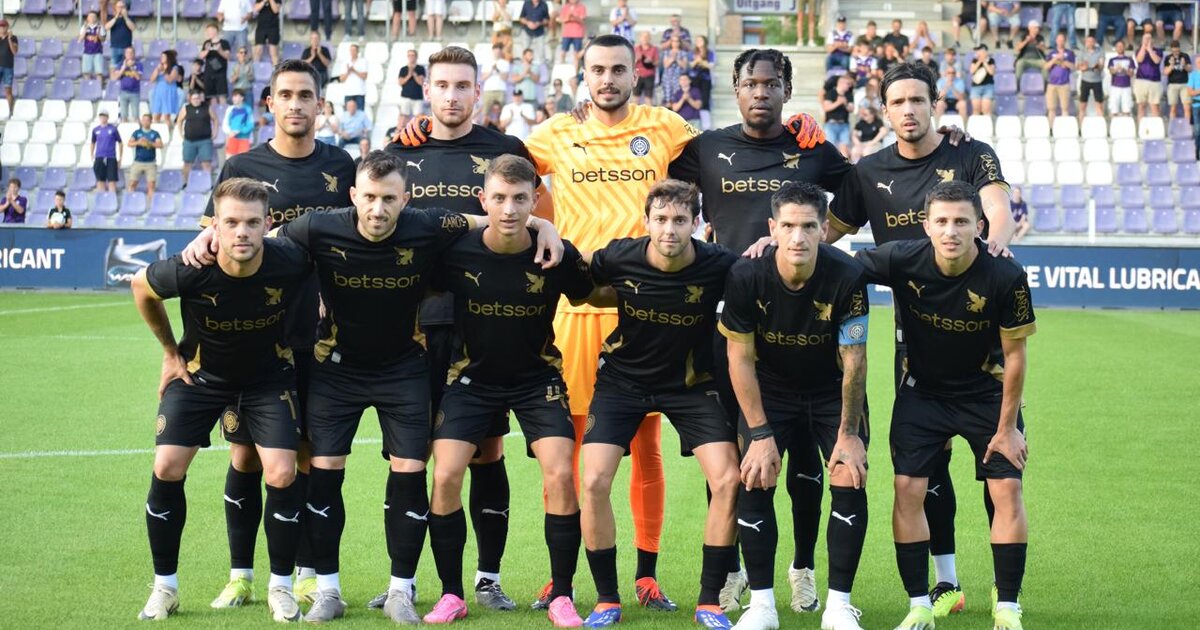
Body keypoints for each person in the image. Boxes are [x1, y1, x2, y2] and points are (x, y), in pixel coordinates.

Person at [270, 150, 559, 624]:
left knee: (409, 470)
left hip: (403, 369)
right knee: (325, 471)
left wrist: (542, 225)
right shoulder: (319, 226)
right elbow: (263, 237)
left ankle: (400, 589)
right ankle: (327, 590)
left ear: (405, 200)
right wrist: (208, 235)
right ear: (352, 195)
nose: (378, 208)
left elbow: (488, 217)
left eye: (389, 199)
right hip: (336, 370)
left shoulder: (428, 224)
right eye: (369, 197)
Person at [827, 61, 1015, 619]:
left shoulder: (970, 152)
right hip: (914, 338)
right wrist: (774, 250)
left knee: (998, 466)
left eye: (917, 100)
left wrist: (995, 247)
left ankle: (1006, 590)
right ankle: (946, 583)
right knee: (925, 468)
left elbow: (998, 211)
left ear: (935, 103)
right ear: (884, 110)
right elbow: (826, 235)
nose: (908, 110)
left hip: (980, 334)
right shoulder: (868, 172)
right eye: (898, 102)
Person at [668, 49, 841, 613]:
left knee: (805, 460)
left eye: (771, 83)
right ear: (736, 88)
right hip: (725, 320)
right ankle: (734, 568)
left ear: (787, 89)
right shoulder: (705, 148)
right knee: (730, 453)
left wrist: (807, 246)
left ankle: (802, 567)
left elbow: (862, 194)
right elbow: (647, 175)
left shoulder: (812, 147)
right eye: (750, 83)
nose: (760, 92)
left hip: (798, 322)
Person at [383, 46, 552, 614]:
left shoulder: (506, 150)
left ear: (478, 92)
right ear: (426, 90)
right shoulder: (400, 152)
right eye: (442, 85)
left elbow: (537, 213)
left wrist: (548, 225)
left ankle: (486, 578)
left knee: (485, 452)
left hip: (485, 325)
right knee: (409, 457)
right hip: (414, 325)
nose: (452, 96)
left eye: (463, 86)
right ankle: (403, 581)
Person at [181, 61, 357, 609]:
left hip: (321, 337)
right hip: (256, 340)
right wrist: (198, 243)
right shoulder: (242, 166)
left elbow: (356, 238)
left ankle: (303, 572)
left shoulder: (341, 165)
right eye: (286, 94)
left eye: (306, 95)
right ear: (270, 103)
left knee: (305, 456)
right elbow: (213, 239)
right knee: (245, 457)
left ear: (320, 104)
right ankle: (241, 575)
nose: (296, 104)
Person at [855, 180, 1035, 630]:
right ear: (926, 225)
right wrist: (775, 246)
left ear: (980, 226)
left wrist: (1008, 429)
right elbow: (839, 268)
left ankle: (1007, 607)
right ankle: (919, 604)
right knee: (907, 489)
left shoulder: (1006, 275)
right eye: (941, 221)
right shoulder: (901, 258)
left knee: (1006, 490)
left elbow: (1015, 357)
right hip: (923, 393)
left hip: (987, 394)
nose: (951, 231)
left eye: (961, 221)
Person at [423, 154, 592, 626]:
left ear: (535, 199)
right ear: (483, 200)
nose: (510, 208)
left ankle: (561, 595)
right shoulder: (456, 251)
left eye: (520, 198)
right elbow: (415, 278)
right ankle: (452, 594)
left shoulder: (556, 254)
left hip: (538, 380)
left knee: (560, 474)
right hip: (471, 381)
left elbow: (594, 293)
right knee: (445, 475)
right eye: (499, 198)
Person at [130, 178, 310, 623]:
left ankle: (280, 587)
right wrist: (170, 352)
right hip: (200, 378)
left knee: (282, 472)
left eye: (251, 222)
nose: (241, 232)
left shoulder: (290, 258)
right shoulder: (191, 267)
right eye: (230, 222)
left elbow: (328, 264)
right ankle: (165, 588)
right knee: (167, 466)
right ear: (214, 225)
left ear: (268, 223)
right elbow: (141, 287)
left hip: (268, 380)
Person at [578, 179, 740, 629]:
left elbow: (762, 276)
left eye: (680, 220)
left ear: (697, 224)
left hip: (690, 385)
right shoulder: (619, 255)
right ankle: (606, 600)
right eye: (661, 219)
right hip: (622, 382)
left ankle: (709, 602)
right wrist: (544, 232)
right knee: (593, 481)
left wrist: (768, 244)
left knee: (728, 480)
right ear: (646, 221)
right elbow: (577, 272)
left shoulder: (719, 264)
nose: (670, 229)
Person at [722, 182, 871, 630]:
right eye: (788, 226)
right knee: (755, 476)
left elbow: (854, 359)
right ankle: (762, 607)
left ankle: (839, 606)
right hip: (771, 390)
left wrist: (849, 434)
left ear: (824, 229)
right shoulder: (746, 275)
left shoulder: (847, 275)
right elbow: (739, 359)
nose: (798, 237)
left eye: (808, 226)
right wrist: (759, 434)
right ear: (773, 228)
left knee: (848, 474)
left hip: (830, 390)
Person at [176, 90, 217, 186]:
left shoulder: (207, 107)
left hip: (205, 141)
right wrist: (180, 133)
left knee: (206, 163)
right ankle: (186, 183)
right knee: (187, 163)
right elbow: (179, 120)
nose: (196, 100)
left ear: (200, 98)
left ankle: (208, 184)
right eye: (194, 98)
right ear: (190, 99)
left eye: (197, 98)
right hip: (189, 141)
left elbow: (215, 119)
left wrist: (215, 132)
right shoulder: (186, 108)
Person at [128, 114, 164, 195]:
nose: (145, 122)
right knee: (132, 184)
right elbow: (129, 143)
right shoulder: (137, 133)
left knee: (151, 186)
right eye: (143, 120)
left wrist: (149, 143)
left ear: (151, 121)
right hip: (138, 162)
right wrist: (139, 142)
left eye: (147, 120)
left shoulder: (155, 133)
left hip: (150, 163)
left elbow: (160, 145)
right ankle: (130, 200)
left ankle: (151, 202)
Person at [821, 73, 855, 158]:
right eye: (848, 84)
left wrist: (845, 103)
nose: (849, 86)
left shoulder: (849, 94)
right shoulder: (831, 93)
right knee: (830, 148)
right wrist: (838, 102)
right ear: (841, 83)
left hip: (844, 125)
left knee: (844, 149)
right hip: (831, 125)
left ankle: (845, 165)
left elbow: (851, 109)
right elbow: (826, 108)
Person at [1044, 33, 1074, 127]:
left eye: (1062, 40)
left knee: (1065, 108)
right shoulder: (1051, 53)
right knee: (1051, 108)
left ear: (1065, 41)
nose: (1060, 42)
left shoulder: (1069, 53)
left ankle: (1064, 128)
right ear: (1056, 41)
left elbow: (1073, 67)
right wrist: (1055, 59)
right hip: (1052, 84)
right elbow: (1046, 66)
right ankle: (1051, 128)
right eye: (1059, 40)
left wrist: (1063, 61)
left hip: (1064, 84)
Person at [1133, 32, 1163, 119]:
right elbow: (1139, 59)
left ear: (1152, 40)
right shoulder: (1138, 50)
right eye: (1145, 38)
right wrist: (1144, 46)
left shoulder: (1158, 51)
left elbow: (1156, 60)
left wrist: (1149, 49)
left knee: (1155, 106)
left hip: (1155, 81)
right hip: (1141, 80)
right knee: (1141, 106)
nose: (1147, 40)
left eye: (1149, 38)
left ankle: (1156, 126)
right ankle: (1140, 126)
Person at [201, 23, 232, 105]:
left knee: (222, 96)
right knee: (212, 97)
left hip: (220, 74)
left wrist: (220, 50)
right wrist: (207, 50)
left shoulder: (224, 43)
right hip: (209, 73)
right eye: (207, 31)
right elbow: (201, 56)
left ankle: (223, 111)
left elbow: (228, 56)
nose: (208, 33)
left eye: (209, 31)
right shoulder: (207, 43)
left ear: (215, 31)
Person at [1075, 35, 1104, 122]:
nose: (1090, 43)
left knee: (1099, 105)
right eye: (1088, 41)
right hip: (1085, 81)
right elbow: (1078, 66)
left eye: (1092, 41)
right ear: (1085, 42)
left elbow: (1101, 65)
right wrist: (1084, 67)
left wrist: (1097, 66)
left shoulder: (1100, 51)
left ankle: (1101, 126)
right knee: (1082, 105)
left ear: (1095, 42)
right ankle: (1081, 126)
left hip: (1097, 81)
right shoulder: (1082, 52)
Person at [91, 112, 122, 193]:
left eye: (104, 116)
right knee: (100, 180)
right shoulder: (96, 130)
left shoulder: (113, 129)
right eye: (101, 116)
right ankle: (101, 198)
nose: (103, 118)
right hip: (99, 157)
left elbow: (120, 142)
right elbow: (93, 142)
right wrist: (92, 154)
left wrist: (120, 157)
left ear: (107, 117)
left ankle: (112, 198)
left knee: (112, 180)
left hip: (111, 157)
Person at [150, 50, 183, 124]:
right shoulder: (159, 67)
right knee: (156, 114)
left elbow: (170, 80)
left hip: (168, 91)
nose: (161, 58)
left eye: (163, 56)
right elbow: (152, 79)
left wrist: (164, 71)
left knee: (166, 115)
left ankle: (168, 129)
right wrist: (157, 70)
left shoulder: (174, 68)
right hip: (159, 91)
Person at [112, 47, 143, 122]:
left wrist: (131, 67)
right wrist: (123, 67)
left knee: (136, 116)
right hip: (123, 92)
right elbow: (116, 77)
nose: (129, 54)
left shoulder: (139, 64)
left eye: (131, 53)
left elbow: (138, 77)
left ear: (134, 54)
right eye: (128, 53)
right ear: (125, 54)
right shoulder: (120, 64)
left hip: (135, 93)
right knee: (123, 116)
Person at [397, 49, 427, 128]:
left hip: (417, 97)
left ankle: (418, 132)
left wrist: (414, 74)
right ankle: (403, 132)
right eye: (409, 55)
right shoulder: (403, 69)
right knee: (404, 116)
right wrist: (408, 75)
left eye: (412, 55)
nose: (411, 57)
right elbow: (400, 82)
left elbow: (421, 82)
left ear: (416, 57)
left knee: (419, 117)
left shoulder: (420, 69)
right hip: (405, 96)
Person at [1164, 40, 1193, 121]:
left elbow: (1190, 69)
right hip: (1172, 84)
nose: (1176, 53)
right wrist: (1171, 65)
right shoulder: (1168, 58)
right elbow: (1165, 72)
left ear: (1179, 49)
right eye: (1174, 51)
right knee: (1173, 108)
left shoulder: (1185, 56)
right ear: (1171, 50)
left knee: (1187, 107)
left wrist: (1184, 65)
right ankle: (1172, 125)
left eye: (1177, 51)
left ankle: (1187, 125)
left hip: (1184, 84)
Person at [660, 36, 692, 108]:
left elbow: (684, 66)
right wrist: (672, 58)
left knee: (676, 97)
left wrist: (676, 59)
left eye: (677, 41)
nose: (675, 43)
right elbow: (665, 65)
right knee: (667, 99)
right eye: (673, 41)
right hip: (667, 78)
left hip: (678, 78)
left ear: (679, 42)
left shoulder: (683, 53)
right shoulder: (667, 52)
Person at [223, 89, 256, 157]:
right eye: (233, 96)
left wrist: (240, 131)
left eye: (236, 96)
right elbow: (225, 123)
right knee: (230, 160)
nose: (234, 98)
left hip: (244, 139)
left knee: (242, 160)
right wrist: (229, 132)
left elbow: (251, 125)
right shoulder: (230, 109)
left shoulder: (248, 109)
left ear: (242, 98)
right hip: (232, 138)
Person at [691, 36, 715, 127]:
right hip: (694, 79)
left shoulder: (710, 53)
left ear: (705, 42)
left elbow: (710, 66)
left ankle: (706, 126)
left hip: (706, 79)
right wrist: (697, 61)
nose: (698, 41)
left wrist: (700, 61)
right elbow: (690, 65)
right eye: (697, 40)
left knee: (705, 101)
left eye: (700, 40)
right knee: (695, 99)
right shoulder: (692, 52)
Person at [1108, 40, 1135, 117]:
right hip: (1115, 87)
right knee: (1114, 110)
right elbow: (1111, 72)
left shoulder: (1130, 59)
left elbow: (1131, 74)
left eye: (1121, 46)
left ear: (1124, 47)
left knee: (1127, 110)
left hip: (1126, 87)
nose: (1119, 48)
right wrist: (1116, 69)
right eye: (1118, 46)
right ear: (1116, 48)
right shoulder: (1112, 60)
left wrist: (1124, 70)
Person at [481, 43, 510, 112]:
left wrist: (497, 70)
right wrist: (491, 71)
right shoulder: (486, 62)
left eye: (499, 51)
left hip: (501, 90)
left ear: (501, 52)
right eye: (496, 51)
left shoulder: (505, 63)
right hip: (488, 90)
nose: (497, 53)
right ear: (493, 51)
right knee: (486, 112)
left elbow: (505, 78)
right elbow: (483, 78)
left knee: (502, 112)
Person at [105, 1, 135, 68]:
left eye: (122, 7)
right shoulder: (111, 17)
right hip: (114, 47)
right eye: (119, 7)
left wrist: (125, 17)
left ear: (125, 8)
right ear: (115, 8)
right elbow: (106, 27)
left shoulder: (130, 17)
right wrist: (116, 17)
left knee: (127, 66)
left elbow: (132, 28)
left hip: (127, 47)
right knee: (114, 66)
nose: (120, 9)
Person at [80, 11, 107, 84]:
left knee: (99, 73)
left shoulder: (100, 27)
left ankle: (98, 88)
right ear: (87, 18)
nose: (92, 18)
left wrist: (98, 35)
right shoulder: (84, 27)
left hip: (97, 52)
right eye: (90, 16)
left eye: (93, 16)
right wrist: (85, 30)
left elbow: (103, 39)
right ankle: (87, 87)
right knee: (86, 73)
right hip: (87, 52)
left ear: (96, 18)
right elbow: (80, 39)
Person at [339, 43, 368, 111]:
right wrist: (348, 72)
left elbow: (364, 76)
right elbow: (341, 79)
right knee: (348, 114)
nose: (352, 52)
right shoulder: (345, 62)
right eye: (351, 50)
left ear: (358, 51)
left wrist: (354, 71)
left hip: (359, 92)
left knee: (360, 113)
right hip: (348, 92)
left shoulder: (363, 61)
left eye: (354, 50)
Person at [969, 44, 996, 116]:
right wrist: (979, 61)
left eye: (979, 50)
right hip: (976, 87)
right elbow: (972, 71)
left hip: (988, 86)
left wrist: (984, 62)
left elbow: (991, 72)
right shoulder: (974, 60)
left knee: (986, 110)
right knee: (976, 110)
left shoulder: (991, 60)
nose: (977, 52)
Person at [633, 32, 658, 105]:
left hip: (649, 75)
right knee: (635, 98)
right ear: (640, 38)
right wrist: (637, 59)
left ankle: (648, 113)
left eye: (647, 37)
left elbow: (657, 63)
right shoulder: (635, 49)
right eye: (643, 37)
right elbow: (630, 63)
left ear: (650, 38)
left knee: (648, 98)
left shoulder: (654, 49)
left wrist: (651, 61)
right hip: (638, 75)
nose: (645, 39)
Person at [253, 0, 281, 65]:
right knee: (258, 51)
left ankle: (275, 69)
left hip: (273, 27)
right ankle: (255, 69)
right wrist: (264, 1)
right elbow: (256, 9)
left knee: (273, 52)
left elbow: (276, 10)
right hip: (261, 27)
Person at [0, 20, 16, 112]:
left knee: (8, 90)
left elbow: (14, 51)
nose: (2, 28)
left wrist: (9, 39)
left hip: (8, 67)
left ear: (7, 27)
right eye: (0, 26)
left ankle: (10, 111)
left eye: (4, 26)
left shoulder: (13, 38)